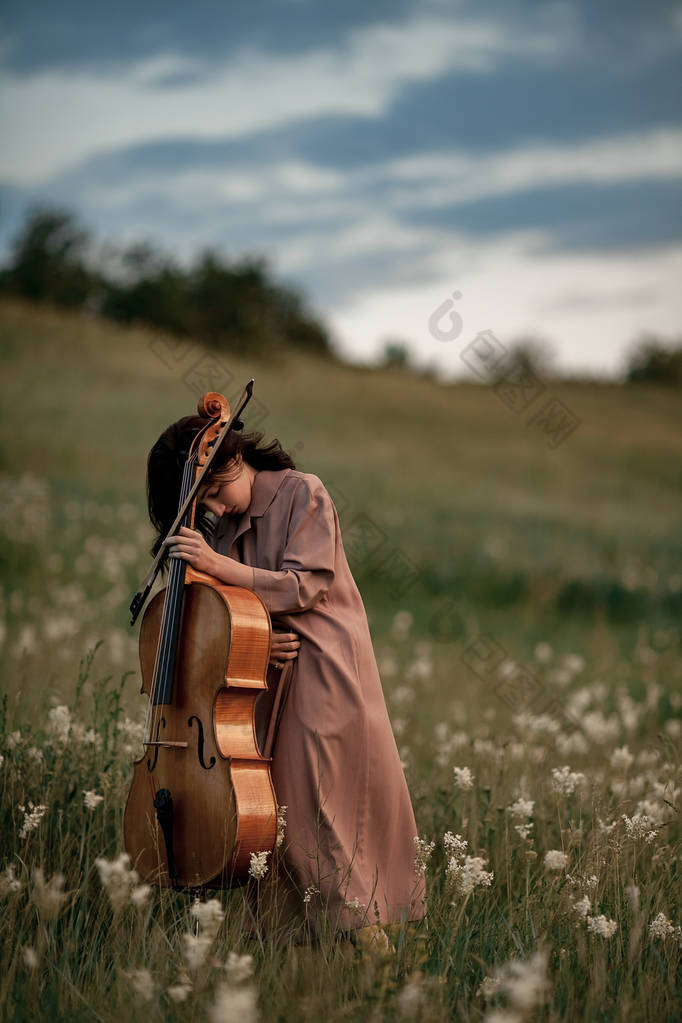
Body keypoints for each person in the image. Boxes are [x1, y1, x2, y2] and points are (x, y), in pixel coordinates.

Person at [146, 414, 426, 944]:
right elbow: (223, 616)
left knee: (311, 814)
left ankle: (373, 950)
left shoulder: (304, 493)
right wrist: (245, 643)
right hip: (260, 677)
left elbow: (304, 588)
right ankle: (299, 959)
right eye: (199, 503)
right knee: (266, 821)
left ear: (233, 457)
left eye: (215, 490)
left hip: (321, 669)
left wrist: (215, 565)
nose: (213, 507)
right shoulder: (219, 530)